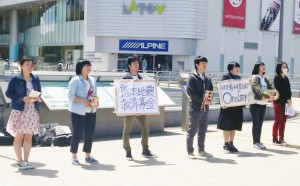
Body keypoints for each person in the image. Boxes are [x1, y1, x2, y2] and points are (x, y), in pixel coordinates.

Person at [5, 57, 41, 170]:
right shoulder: (15, 79)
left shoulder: (35, 78)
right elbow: (8, 93)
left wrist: (36, 97)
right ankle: (19, 161)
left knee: (29, 136)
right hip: (20, 109)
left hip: (32, 109)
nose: (30, 67)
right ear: (21, 66)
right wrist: (21, 98)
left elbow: (40, 92)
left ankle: (26, 161)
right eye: (27, 64)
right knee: (19, 135)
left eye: (32, 65)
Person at [122, 56, 157, 161]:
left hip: (141, 108)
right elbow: (123, 94)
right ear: (129, 65)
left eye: (137, 63)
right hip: (130, 108)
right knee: (127, 130)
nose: (137, 65)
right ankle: (128, 152)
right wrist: (132, 83)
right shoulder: (125, 78)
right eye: (134, 63)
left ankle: (145, 149)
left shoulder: (142, 78)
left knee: (145, 129)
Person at [68, 59, 99, 165]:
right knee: (77, 134)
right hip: (78, 112)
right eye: (86, 66)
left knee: (89, 134)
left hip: (91, 111)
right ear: (80, 68)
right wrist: (84, 101)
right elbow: (71, 97)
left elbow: (94, 94)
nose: (89, 67)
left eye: (89, 65)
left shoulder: (93, 80)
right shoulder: (75, 80)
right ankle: (74, 156)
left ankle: (88, 156)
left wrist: (95, 102)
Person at [186, 56, 213, 159]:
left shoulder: (207, 77)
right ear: (197, 64)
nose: (205, 65)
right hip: (195, 107)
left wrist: (209, 99)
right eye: (202, 63)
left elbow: (210, 89)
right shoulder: (192, 77)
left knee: (203, 129)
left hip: (205, 107)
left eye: (206, 63)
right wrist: (203, 100)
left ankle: (201, 150)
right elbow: (190, 92)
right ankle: (190, 151)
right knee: (192, 129)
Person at [249, 62, 279, 150]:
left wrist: (277, 94)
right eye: (261, 66)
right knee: (256, 123)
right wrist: (268, 96)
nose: (263, 67)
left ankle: (258, 140)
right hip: (255, 103)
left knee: (260, 123)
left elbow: (272, 87)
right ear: (257, 68)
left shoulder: (265, 78)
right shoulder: (255, 78)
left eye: (264, 65)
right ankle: (255, 142)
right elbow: (257, 90)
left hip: (263, 103)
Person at [217, 62, 243, 153]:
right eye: (236, 67)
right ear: (231, 69)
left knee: (234, 125)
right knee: (227, 125)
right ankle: (226, 143)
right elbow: (223, 90)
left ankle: (231, 143)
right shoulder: (226, 77)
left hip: (237, 106)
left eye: (238, 68)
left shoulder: (239, 78)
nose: (238, 69)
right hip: (228, 107)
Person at [272, 62, 292, 146]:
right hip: (279, 102)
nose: (285, 68)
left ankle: (281, 138)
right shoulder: (277, 78)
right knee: (278, 121)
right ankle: (275, 139)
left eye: (286, 67)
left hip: (286, 103)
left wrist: (289, 99)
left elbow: (288, 90)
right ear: (279, 68)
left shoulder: (286, 78)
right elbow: (280, 91)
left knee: (283, 121)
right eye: (283, 67)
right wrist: (286, 99)